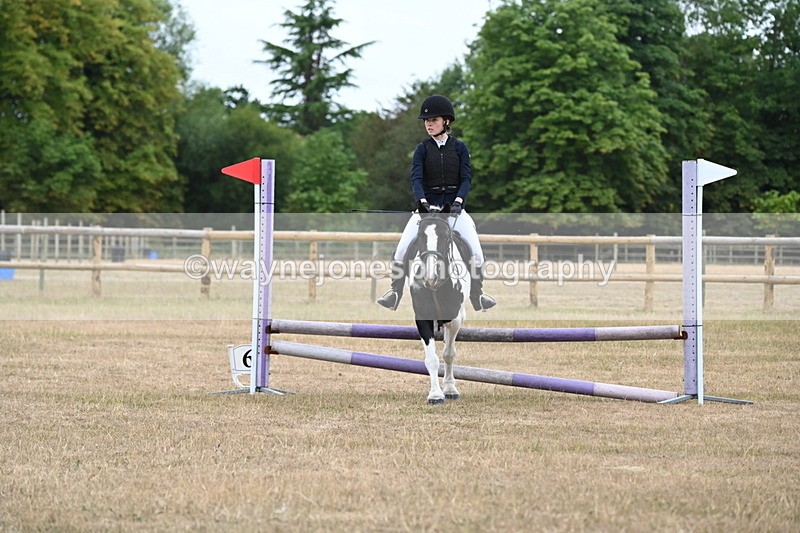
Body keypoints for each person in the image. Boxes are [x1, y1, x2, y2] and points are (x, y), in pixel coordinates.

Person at [377, 94, 496, 312]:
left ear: (446, 122)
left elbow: (466, 178)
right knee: (402, 250)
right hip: (426, 210)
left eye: (433, 120)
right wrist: (422, 202)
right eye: (426, 121)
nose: (428, 124)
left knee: (477, 253)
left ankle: (477, 295)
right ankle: (395, 292)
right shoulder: (422, 149)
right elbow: (416, 179)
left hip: (454, 210)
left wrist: (459, 200)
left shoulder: (459, 148)